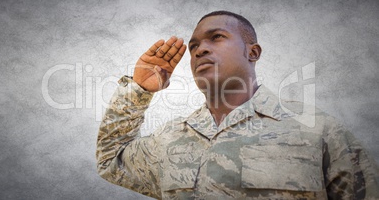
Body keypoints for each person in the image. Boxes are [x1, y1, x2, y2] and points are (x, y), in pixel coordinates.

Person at [96, 11, 379, 199]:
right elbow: (111, 161)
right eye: (193, 47)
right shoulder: (170, 139)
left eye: (216, 37)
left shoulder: (317, 130)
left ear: (253, 52)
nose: (200, 50)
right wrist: (139, 90)